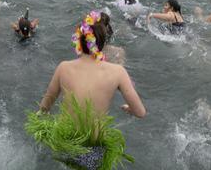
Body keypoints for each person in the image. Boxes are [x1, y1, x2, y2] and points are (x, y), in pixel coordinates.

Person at [25, 11, 145, 169]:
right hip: (93, 147)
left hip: (65, 141)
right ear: (102, 43)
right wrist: (129, 108)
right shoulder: (118, 71)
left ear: (78, 41)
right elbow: (140, 112)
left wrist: (40, 120)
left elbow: (46, 104)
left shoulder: (64, 67)